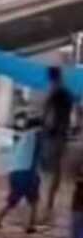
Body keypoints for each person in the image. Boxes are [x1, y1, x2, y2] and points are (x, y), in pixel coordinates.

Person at [0, 115, 42, 234]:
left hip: (14, 171)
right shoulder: (38, 136)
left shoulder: (23, 136)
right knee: (33, 200)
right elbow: (37, 157)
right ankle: (29, 226)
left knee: (14, 199)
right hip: (27, 172)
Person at [40, 65, 74, 217]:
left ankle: (48, 200)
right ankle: (49, 200)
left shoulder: (55, 91)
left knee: (50, 167)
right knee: (56, 168)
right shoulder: (66, 92)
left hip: (53, 134)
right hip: (61, 133)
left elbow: (49, 113)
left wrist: (46, 127)